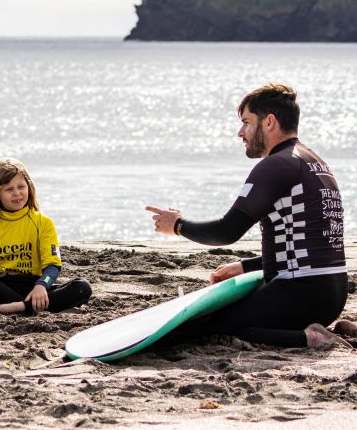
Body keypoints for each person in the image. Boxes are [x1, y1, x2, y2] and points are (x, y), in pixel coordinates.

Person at [146, 83, 348, 349]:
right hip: (330, 293)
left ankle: (313, 340)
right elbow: (306, 246)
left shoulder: (276, 165)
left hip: (302, 292)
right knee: (226, 318)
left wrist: (178, 226)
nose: (240, 132)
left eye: (246, 122)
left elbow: (226, 232)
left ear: (269, 122)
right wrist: (246, 267)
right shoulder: (314, 162)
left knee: (205, 328)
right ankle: (332, 328)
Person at [0, 157, 92, 315]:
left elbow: (53, 266)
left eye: (21, 186)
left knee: (82, 287)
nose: (17, 193)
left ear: (29, 187)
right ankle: (28, 307)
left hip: (33, 286)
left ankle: (17, 307)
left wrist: (42, 285)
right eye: (9, 189)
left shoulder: (43, 223)